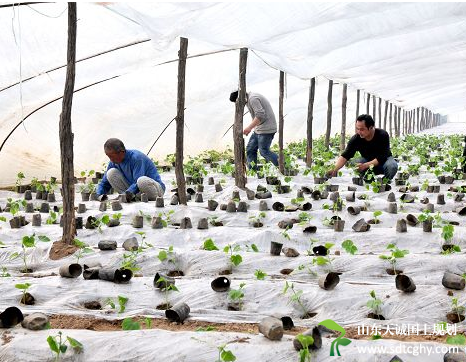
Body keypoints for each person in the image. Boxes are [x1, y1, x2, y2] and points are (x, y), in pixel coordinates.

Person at [327, 114, 398, 181]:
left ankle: (385, 183)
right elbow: (345, 155)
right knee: (355, 163)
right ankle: (368, 179)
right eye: (357, 129)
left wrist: (365, 165)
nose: (359, 132)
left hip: (384, 162)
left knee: (392, 166)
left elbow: (382, 157)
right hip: (368, 161)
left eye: (362, 129)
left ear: (371, 127)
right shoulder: (356, 139)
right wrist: (334, 169)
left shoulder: (382, 135)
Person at [96, 138, 165, 202]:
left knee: (141, 181)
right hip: (135, 193)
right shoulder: (113, 162)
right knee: (110, 173)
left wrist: (127, 194)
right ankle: (131, 198)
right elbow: (104, 183)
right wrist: (99, 194)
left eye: (112, 156)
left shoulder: (137, 158)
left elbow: (137, 183)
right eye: (108, 156)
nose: (111, 159)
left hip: (153, 189)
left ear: (121, 152)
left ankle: (156, 200)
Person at [230, 90, 279, 171]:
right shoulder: (249, 99)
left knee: (264, 151)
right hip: (259, 129)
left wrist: (249, 128)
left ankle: (283, 165)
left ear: (240, 98)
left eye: (237, 102)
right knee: (250, 149)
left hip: (266, 128)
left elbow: (260, 115)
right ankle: (253, 170)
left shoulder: (253, 99)